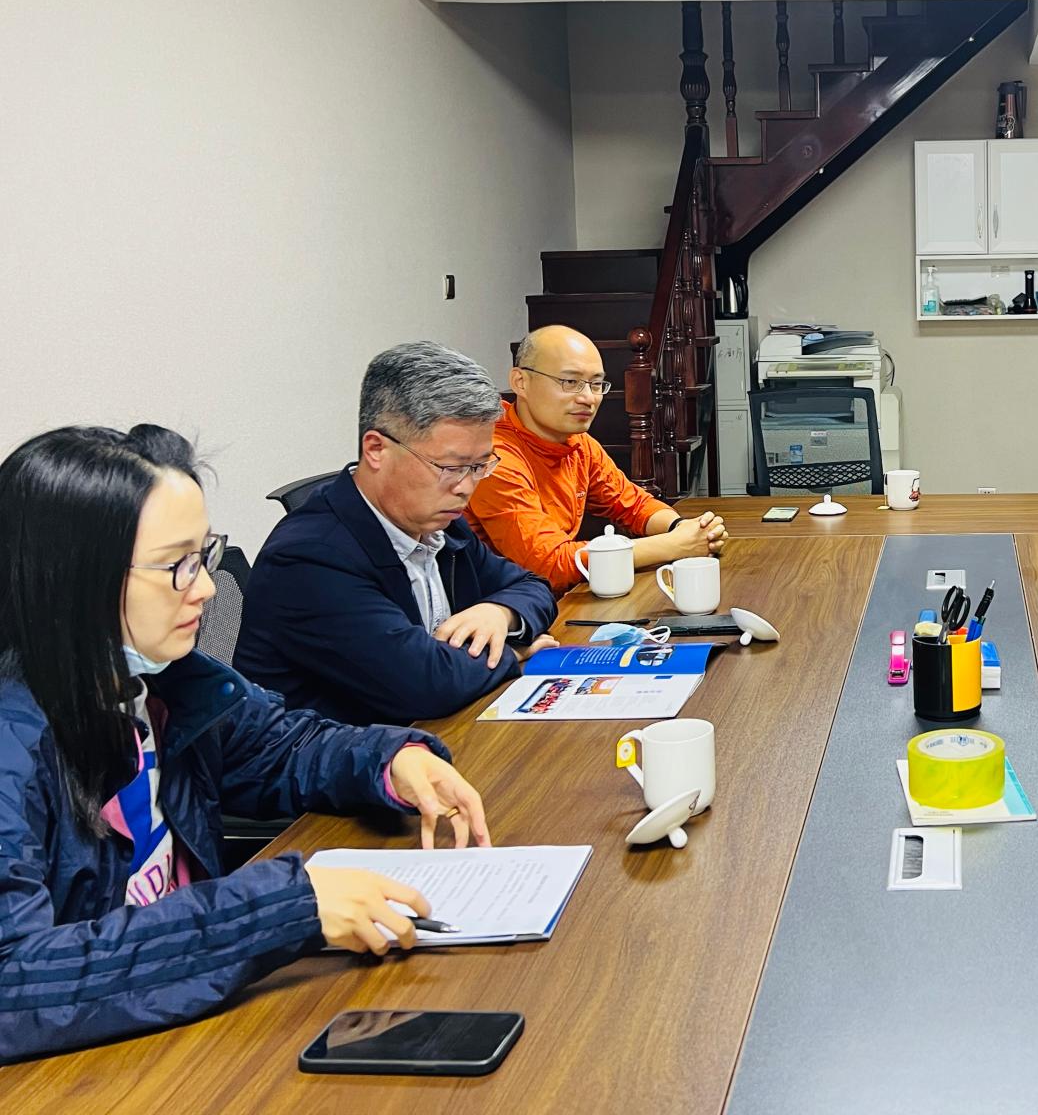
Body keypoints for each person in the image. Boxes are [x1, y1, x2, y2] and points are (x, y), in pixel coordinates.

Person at [0, 425, 492, 1061]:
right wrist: (279, 908)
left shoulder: (165, 683)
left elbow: (281, 746)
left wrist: (392, 760)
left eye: (203, 556)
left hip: (187, 1025)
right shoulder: (14, 742)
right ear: (73, 580)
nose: (206, 588)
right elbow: (15, 981)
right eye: (176, 566)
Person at [235, 342, 558, 725]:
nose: (466, 487)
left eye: (479, 466)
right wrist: (513, 652)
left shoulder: (438, 522)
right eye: (451, 466)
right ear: (376, 449)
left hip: (428, 735)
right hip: (341, 756)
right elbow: (425, 685)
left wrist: (500, 613)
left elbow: (533, 586)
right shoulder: (309, 557)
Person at [464, 325, 726, 590]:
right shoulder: (492, 457)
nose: (588, 398)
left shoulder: (578, 443)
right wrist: (673, 545)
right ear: (521, 382)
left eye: (597, 384)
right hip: (504, 603)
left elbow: (631, 504)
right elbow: (550, 564)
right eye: (570, 382)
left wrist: (683, 528)